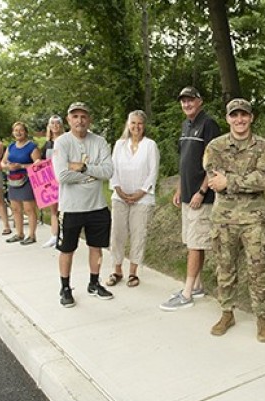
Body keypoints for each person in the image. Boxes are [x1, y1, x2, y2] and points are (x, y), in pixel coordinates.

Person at [203, 98, 265, 343]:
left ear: (251, 117)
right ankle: (227, 313)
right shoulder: (215, 146)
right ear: (228, 119)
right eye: (234, 115)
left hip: (254, 219)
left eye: (244, 115)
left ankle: (262, 317)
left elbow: (264, 179)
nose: (239, 120)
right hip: (223, 218)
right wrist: (244, 180)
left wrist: (231, 182)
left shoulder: (263, 145)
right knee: (224, 267)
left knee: (259, 269)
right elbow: (215, 180)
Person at [159, 86, 220, 311]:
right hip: (187, 195)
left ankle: (186, 293)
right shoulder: (186, 125)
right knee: (194, 242)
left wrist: (202, 191)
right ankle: (197, 285)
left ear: (200, 101)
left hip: (201, 198)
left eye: (191, 100)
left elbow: (213, 164)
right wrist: (179, 188)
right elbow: (184, 161)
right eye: (183, 101)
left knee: (195, 244)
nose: (187, 104)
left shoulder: (208, 124)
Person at [52, 102, 114, 308]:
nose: (80, 120)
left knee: (96, 247)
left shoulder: (99, 141)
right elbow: (62, 175)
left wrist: (83, 167)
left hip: (97, 206)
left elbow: (108, 172)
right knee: (67, 249)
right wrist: (92, 173)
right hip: (71, 207)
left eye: (83, 116)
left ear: (89, 119)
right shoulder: (62, 143)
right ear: (68, 119)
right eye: (75, 116)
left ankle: (94, 283)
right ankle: (65, 287)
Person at [106, 110, 159, 288]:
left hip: (142, 198)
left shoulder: (150, 145)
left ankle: (133, 272)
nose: (136, 127)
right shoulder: (120, 145)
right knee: (117, 234)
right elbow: (112, 169)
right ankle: (117, 270)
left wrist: (141, 192)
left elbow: (153, 172)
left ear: (144, 126)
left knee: (138, 234)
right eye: (133, 123)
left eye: (140, 124)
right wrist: (119, 190)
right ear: (128, 124)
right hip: (120, 196)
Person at [0, 121, 40, 245]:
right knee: (16, 208)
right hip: (13, 180)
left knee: (29, 209)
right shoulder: (11, 146)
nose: (18, 132)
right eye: (15, 130)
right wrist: (7, 167)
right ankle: (19, 233)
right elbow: (2, 162)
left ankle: (32, 235)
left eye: (21, 130)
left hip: (27, 179)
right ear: (13, 133)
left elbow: (38, 164)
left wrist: (21, 165)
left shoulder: (31, 146)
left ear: (26, 132)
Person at [40, 115, 64, 248]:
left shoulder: (67, 140)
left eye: (57, 123)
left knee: (64, 209)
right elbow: (42, 160)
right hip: (51, 180)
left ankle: (64, 235)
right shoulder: (47, 144)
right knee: (53, 209)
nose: (55, 126)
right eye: (52, 123)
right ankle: (54, 235)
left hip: (64, 178)